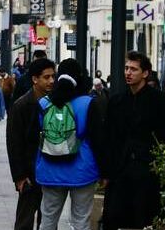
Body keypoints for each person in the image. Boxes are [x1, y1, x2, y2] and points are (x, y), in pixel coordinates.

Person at [101, 51, 165, 230]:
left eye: (134, 69)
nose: (128, 73)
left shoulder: (160, 101)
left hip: (148, 172)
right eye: (127, 68)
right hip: (121, 170)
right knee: (115, 217)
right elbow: (108, 137)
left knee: (145, 218)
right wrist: (107, 170)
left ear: (145, 73)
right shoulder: (117, 102)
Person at [35, 59, 108, 230]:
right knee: (80, 220)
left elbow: (35, 137)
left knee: (48, 220)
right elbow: (98, 140)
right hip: (83, 171)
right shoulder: (87, 103)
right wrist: (105, 171)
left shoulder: (44, 103)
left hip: (50, 169)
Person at [6, 57, 56, 230]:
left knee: (48, 222)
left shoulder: (56, 104)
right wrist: (19, 176)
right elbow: (14, 143)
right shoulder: (22, 105)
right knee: (24, 221)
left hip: (50, 172)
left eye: (53, 76)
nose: (51, 81)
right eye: (46, 77)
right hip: (30, 173)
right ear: (35, 79)